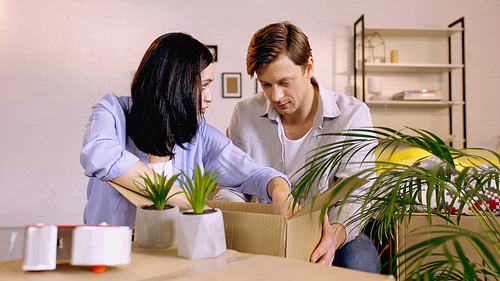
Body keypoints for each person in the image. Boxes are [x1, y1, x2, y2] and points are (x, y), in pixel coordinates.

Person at [80, 32, 293, 229]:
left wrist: (279, 188)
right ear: (175, 83)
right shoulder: (113, 111)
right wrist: (179, 197)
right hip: (110, 249)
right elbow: (99, 155)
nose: (209, 96)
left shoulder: (198, 132)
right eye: (203, 85)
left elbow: (253, 173)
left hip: (170, 252)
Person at [224, 22, 381, 272]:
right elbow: (231, 183)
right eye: (266, 85)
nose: (276, 96)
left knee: (359, 262)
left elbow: (359, 194)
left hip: (332, 230)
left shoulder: (352, 115)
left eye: (285, 82)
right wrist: (241, 224)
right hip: (267, 230)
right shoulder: (245, 114)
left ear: (308, 67)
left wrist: (335, 236)